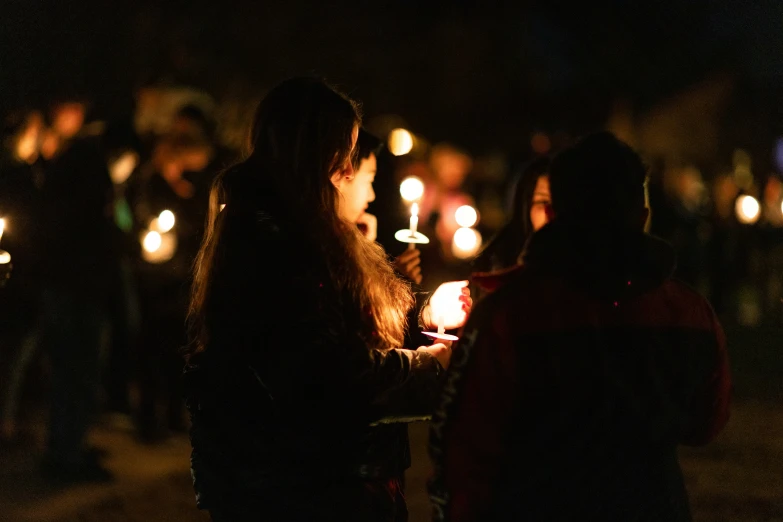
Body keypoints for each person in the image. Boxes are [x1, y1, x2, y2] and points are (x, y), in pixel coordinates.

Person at [184, 77, 469, 522]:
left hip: (333, 481)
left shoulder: (311, 234)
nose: (353, 174)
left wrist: (429, 310)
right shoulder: (269, 244)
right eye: (345, 156)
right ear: (314, 155)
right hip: (298, 491)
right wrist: (431, 365)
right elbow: (331, 377)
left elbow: (348, 322)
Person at [429, 132, 731, 522]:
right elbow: (707, 421)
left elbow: (464, 445)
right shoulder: (688, 313)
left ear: (555, 213)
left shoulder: (510, 315)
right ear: (641, 215)